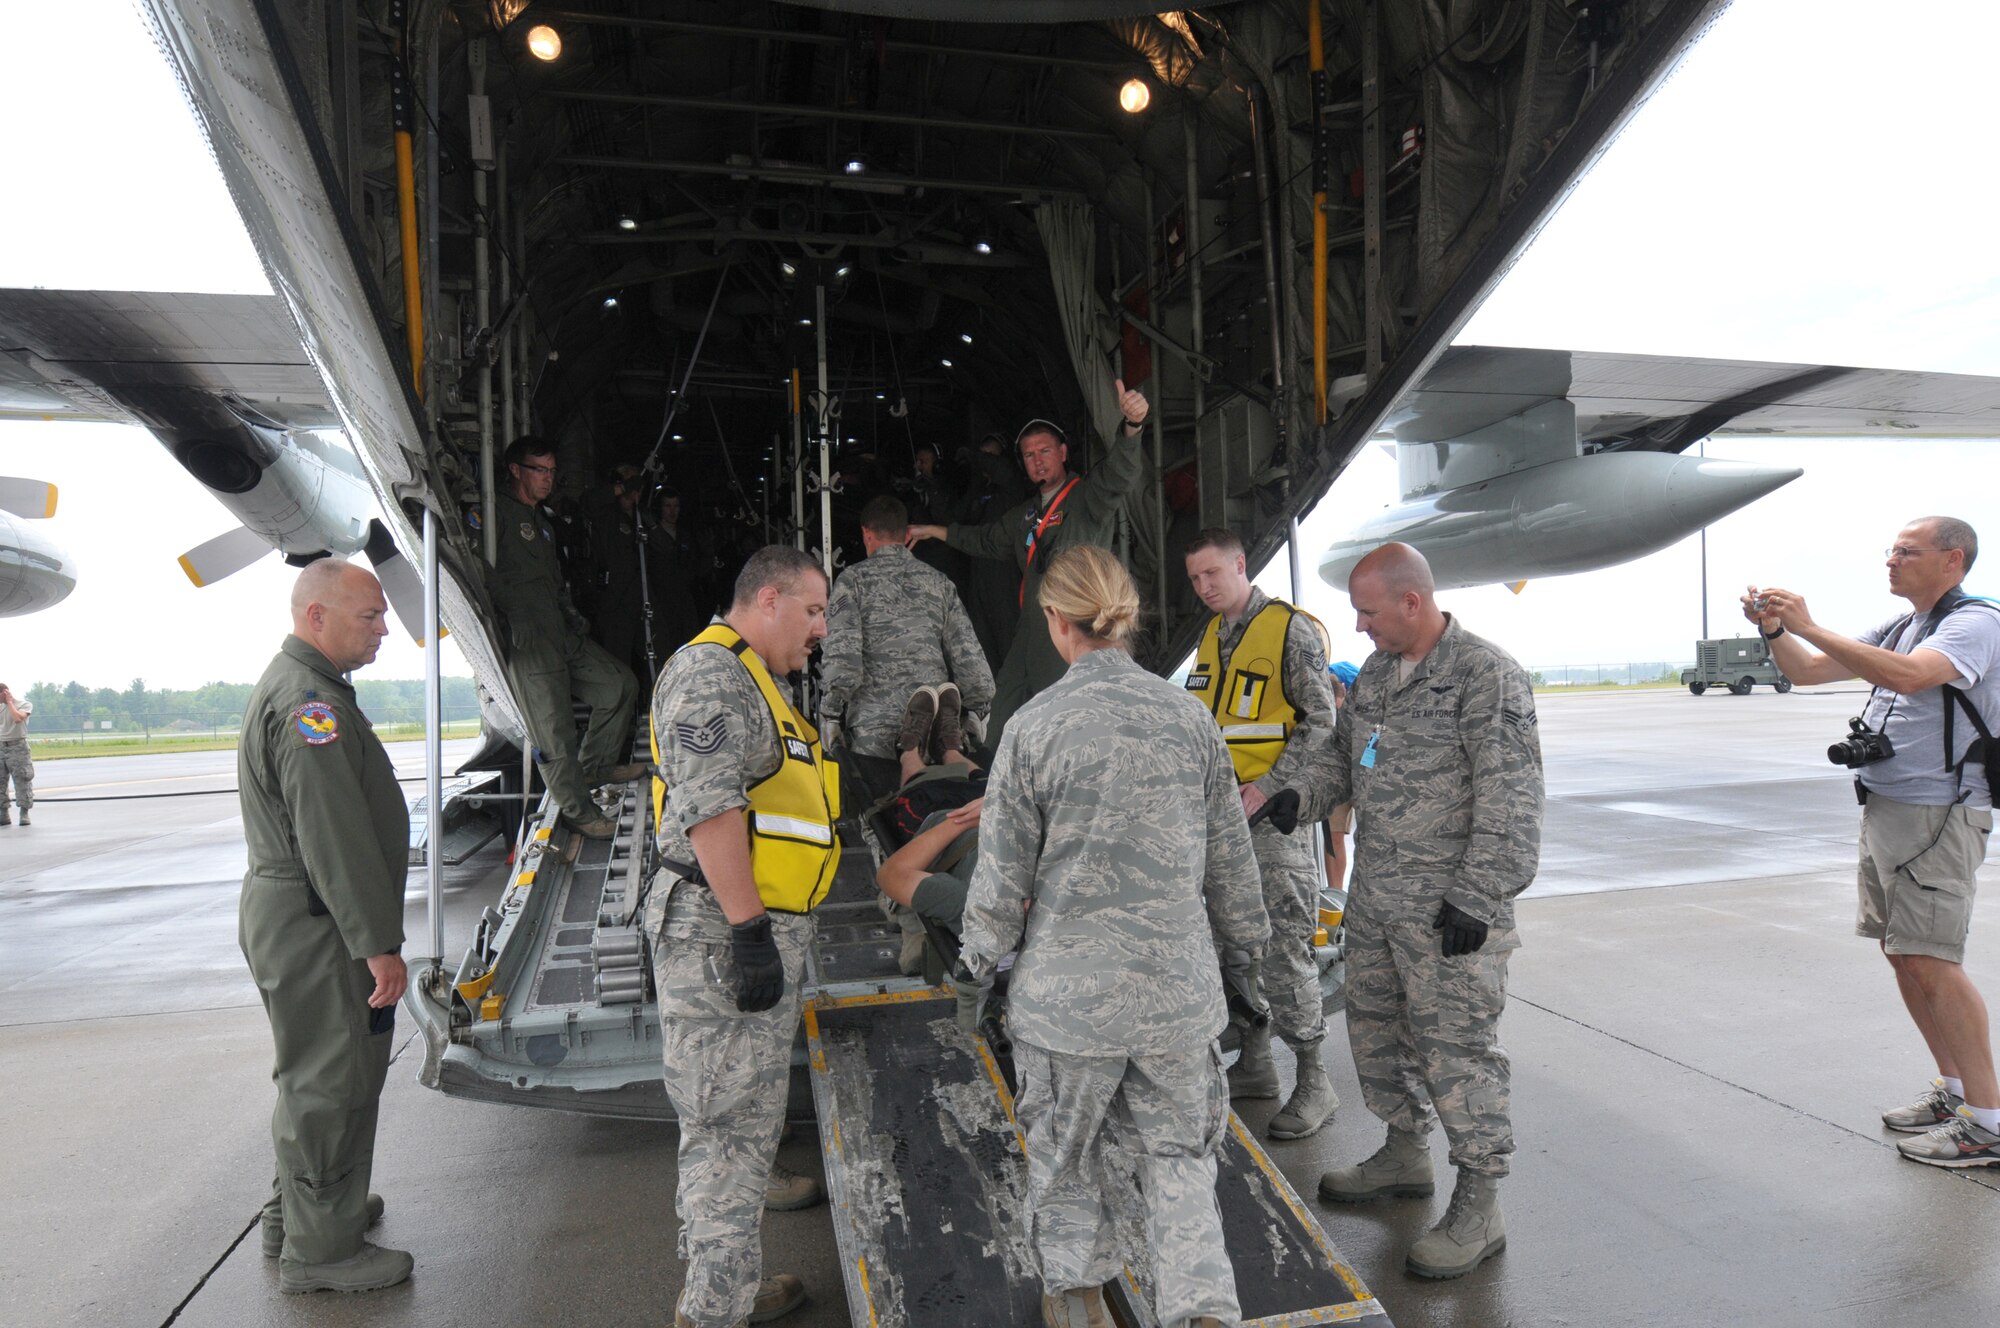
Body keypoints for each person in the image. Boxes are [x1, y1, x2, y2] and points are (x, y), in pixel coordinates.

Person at [956, 545, 1266, 1328]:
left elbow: (999, 881)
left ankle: (1082, 1306)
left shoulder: (1032, 728)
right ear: (1123, 618)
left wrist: (974, 967)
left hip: (1069, 1007)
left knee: (1065, 1165)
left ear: (1057, 622)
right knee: (1181, 1163)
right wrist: (1246, 959)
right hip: (1175, 998)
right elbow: (1231, 862)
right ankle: (1200, 1312)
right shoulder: (1189, 719)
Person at [1315, 542, 1543, 1282]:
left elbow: (1512, 797)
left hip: (1451, 911)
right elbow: (1344, 758)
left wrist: (1479, 895)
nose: (1359, 628)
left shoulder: (1486, 674)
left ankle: (1479, 1204)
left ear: (1412, 602)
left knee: (1458, 1051)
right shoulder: (1380, 673)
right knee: (1378, 1032)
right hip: (1379, 901)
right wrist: (1299, 794)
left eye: (1368, 611)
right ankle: (1403, 1153)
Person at [1745, 516, 2000, 1168]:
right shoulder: (1900, 625)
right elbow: (1805, 671)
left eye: (1906, 552)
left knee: (1934, 959)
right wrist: (1777, 630)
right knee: (1905, 954)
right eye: (1890, 550)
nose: (1891, 561)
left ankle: (1990, 1123)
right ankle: (1955, 1091)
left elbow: (1914, 677)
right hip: (1889, 810)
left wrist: (1807, 622)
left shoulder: (1974, 621)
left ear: (1952, 560)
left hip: (1937, 818)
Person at [645, 545, 841, 1328]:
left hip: (738, 929)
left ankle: (722, 1284)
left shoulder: (756, 678)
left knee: (733, 1127)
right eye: (815, 610)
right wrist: (751, 932)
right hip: (721, 934)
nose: (820, 630)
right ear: (769, 599)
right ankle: (717, 1309)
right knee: (729, 1131)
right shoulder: (712, 675)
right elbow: (709, 809)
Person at [237, 559, 412, 1294]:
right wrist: (379, 946)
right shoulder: (314, 705)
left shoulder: (306, 688)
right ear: (316, 618)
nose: (383, 629)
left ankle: (304, 1215)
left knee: (312, 1071)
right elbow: (333, 839)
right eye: (369, 616)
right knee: (331, 1081)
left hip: (302, 915)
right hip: (321, 924)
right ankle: (323, 1252)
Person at [1182, 528, 1343, 1140]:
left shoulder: (1288, 629)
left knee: (1283, 949)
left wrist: (1272, 783)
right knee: (1231, 945)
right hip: (1220, 820)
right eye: (1195, 579)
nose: (1203, 587)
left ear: (1241, 564)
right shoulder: (1210, 637)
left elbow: (1321, 721)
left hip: (1272, 823)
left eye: (1212, 574)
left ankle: (1314, 1079)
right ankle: (1254, 1063)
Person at [907, 383, 1151, 747]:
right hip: (1030, 631)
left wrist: (1132, 426)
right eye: (1028, 455)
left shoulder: (1087, 497)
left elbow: (1119, 475)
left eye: (1045, 451)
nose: (1037, 460)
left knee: (1066, 723)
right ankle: (996, 785)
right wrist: (933, 530)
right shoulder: (1024, 514)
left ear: (1063, 452)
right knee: (1004, 712)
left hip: (1074, 630)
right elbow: (986, 540)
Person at [476, 436, 645, 838]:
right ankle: (578, 810)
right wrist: (511, 615)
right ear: (516, 470)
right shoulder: (495, 513)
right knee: (555, 729)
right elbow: (479, 572)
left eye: (552, 471)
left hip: (558, 628)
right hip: (528, 640)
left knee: (619, 685)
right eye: (540, 470)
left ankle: (595, 769)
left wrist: (570, 614)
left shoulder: (540, 521)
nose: (548, 479)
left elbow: (553, 580)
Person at [822, 494, 995, 797]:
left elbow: (844, 657)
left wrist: (831, 713)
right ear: (906, 535)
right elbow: (968, 654)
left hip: (873, 735)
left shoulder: (852, 581)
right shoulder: (939, 582)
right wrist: (977, 710)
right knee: (935, 818)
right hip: (934, 733)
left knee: (881, 827)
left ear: (866, 533)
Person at [1323, 661, 1360, 890]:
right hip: (1337, 770)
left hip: (1364, 769)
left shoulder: (1360, 690)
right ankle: (1336, 895)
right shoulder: (1321, 686)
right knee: (1333, 835)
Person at [0, 681, 32, 826]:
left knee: (22, 779)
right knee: (0, 782)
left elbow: (18, 718)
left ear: (5, 692)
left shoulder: (24, 705)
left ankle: (24, 812)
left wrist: (9, 702)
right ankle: (3, 811)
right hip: (1, 745)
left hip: (18, 746)